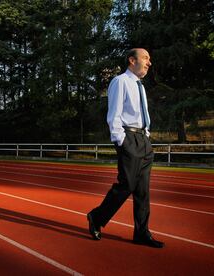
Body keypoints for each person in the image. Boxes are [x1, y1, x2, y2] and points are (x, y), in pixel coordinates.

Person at [87, 48, 164, 248]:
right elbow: (114, 114)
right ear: (132, 60)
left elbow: (141, 113)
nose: (149, 63)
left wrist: (146, 135)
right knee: (126, 185)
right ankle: (97, 216)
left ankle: (141, 233)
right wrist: (121, 141)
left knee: (142, 191)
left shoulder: (140, 86)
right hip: (128, 138)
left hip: (143, 139)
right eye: (146, 58)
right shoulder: (120, 81)